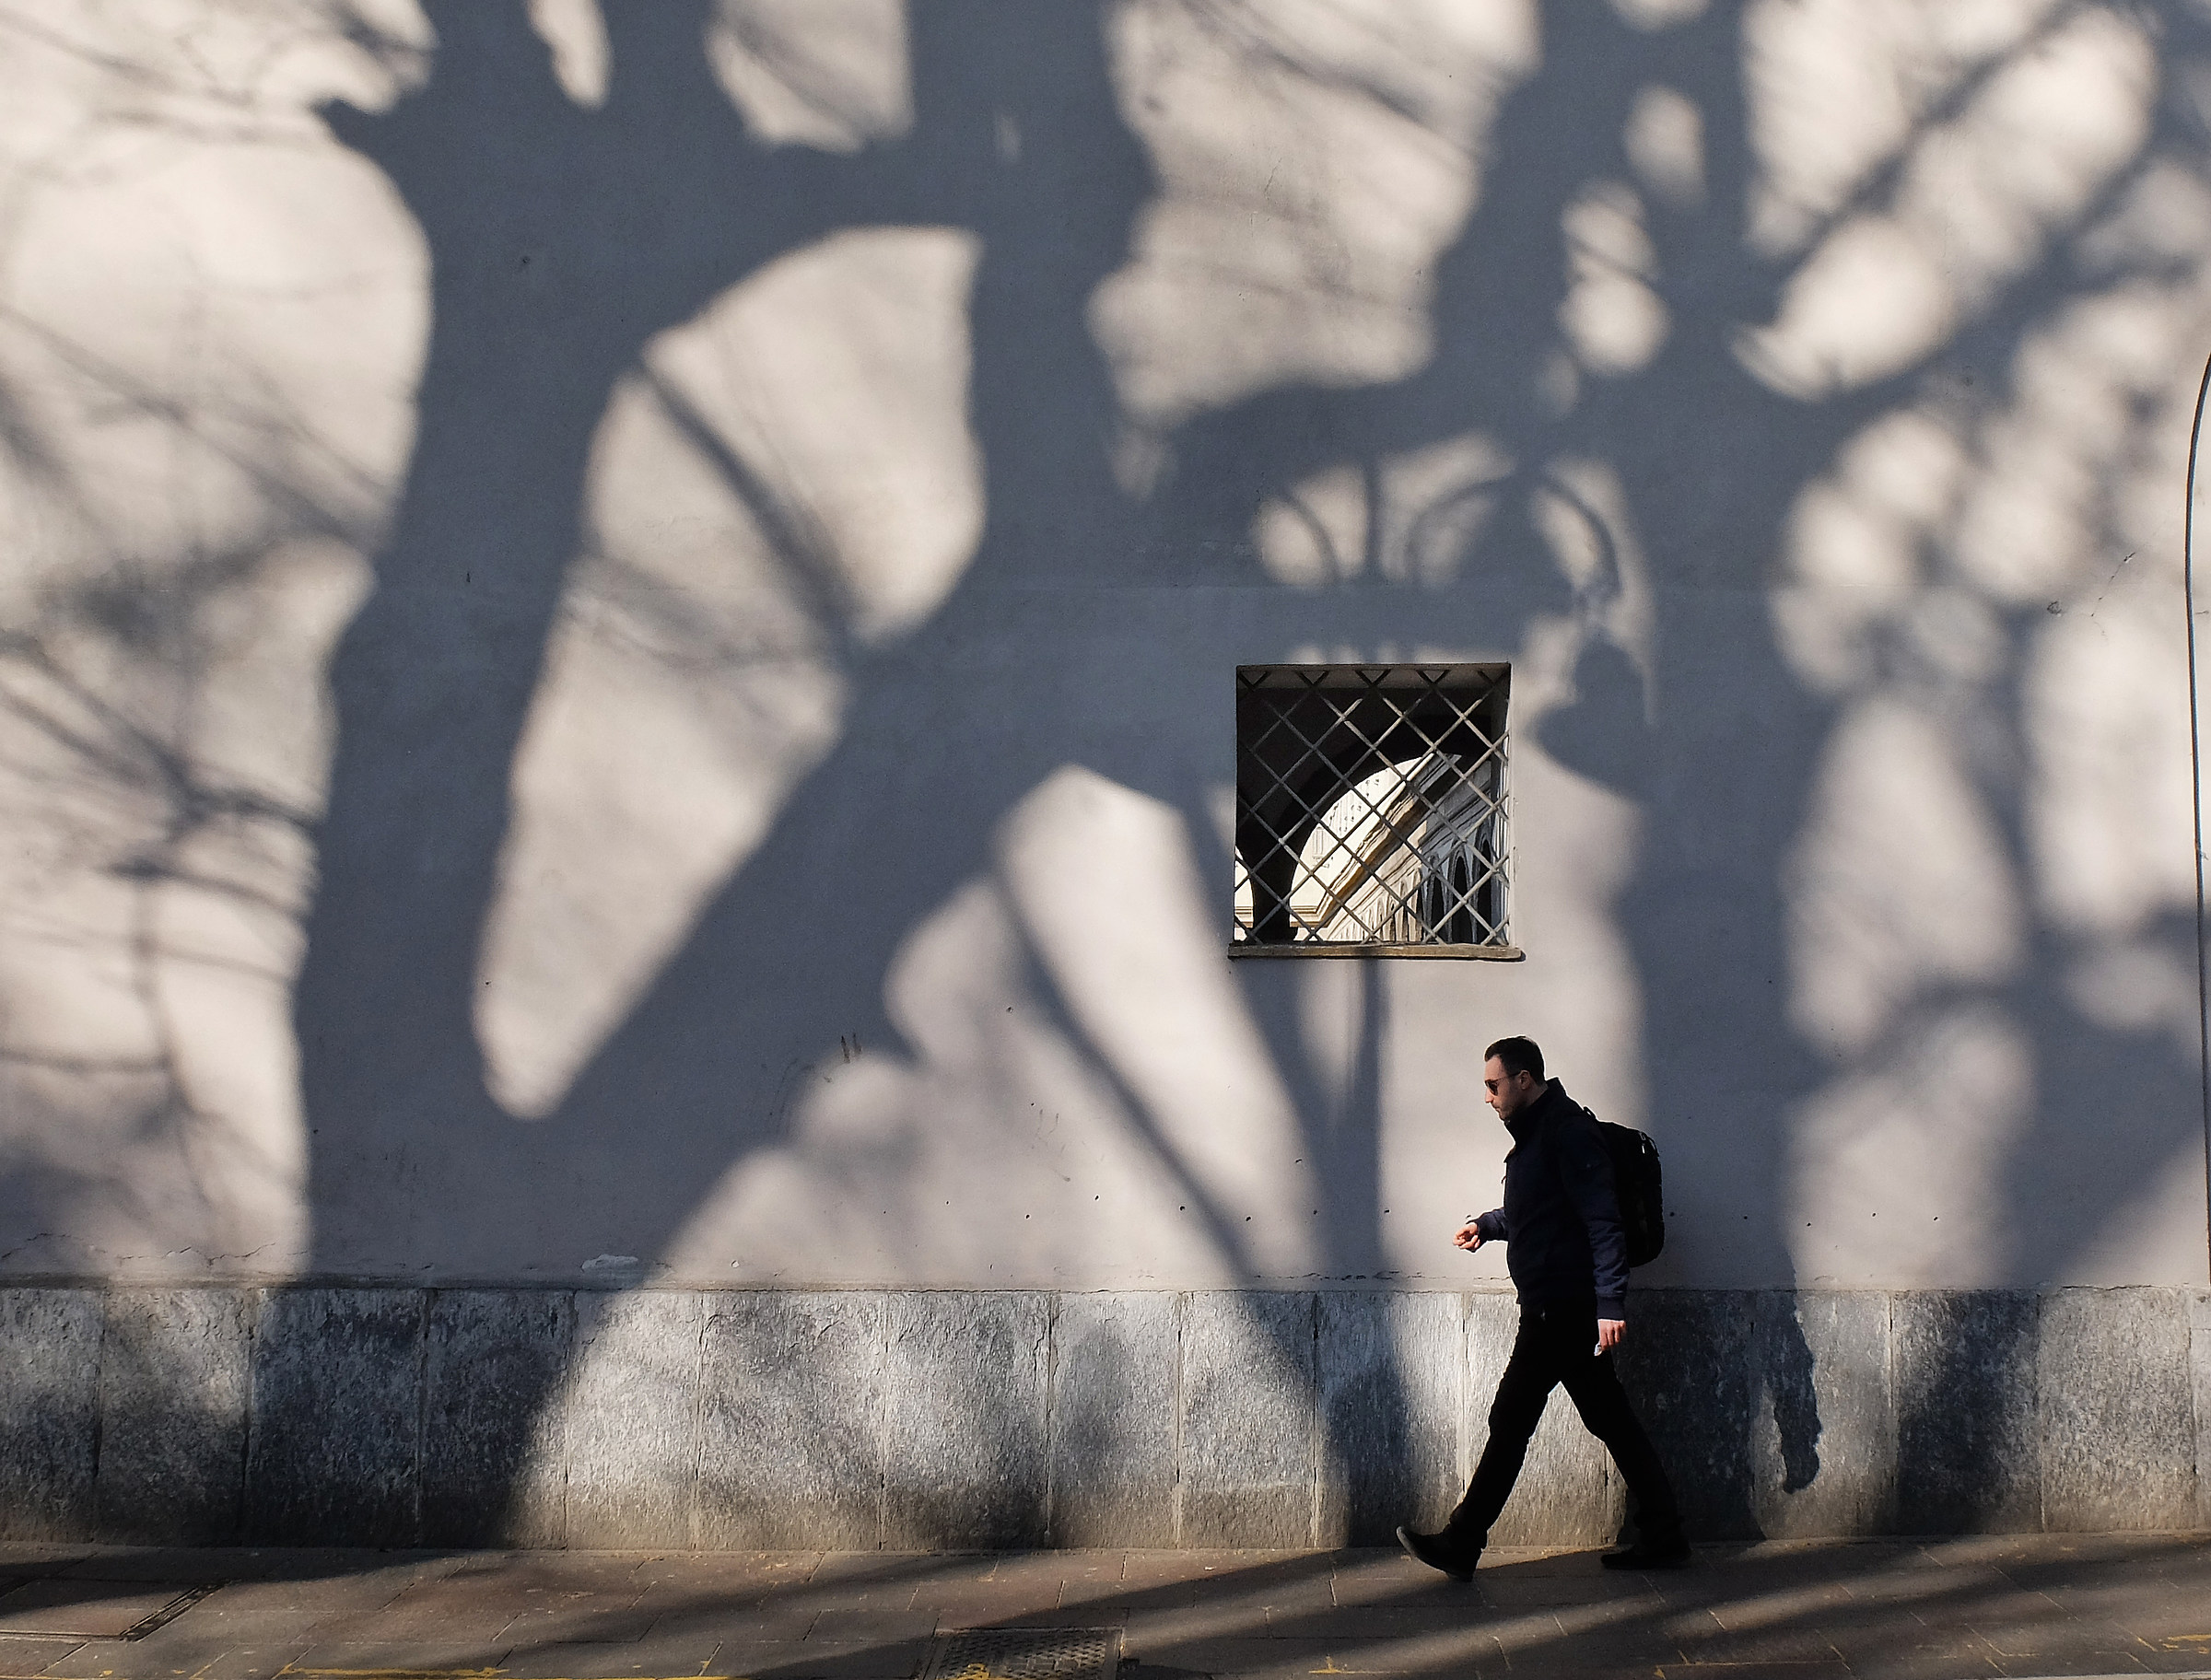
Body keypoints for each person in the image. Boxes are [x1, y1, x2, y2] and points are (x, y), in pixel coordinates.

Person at [1397, 1035, 1689, 1578]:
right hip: (1556, 1306)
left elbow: (1604, 1224)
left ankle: (1463, 1541)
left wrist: (1610, 1305)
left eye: (1493, 1085)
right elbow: (1536, 1213)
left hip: (1565, 1309)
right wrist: (1487, 1226)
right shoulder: (1537, 1137)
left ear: (1524, 1080)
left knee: (1510, 1418)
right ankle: (1666, 1533)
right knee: (1611, 1420)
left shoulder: (1568, 1134)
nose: (1488, 1097)